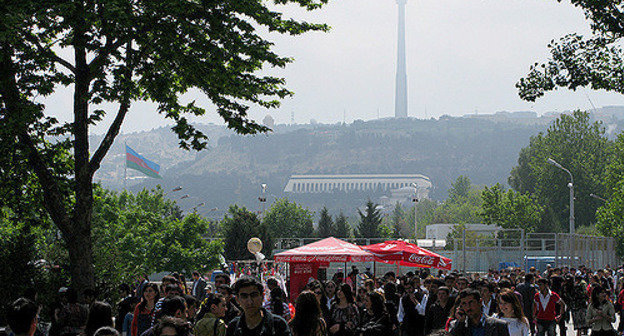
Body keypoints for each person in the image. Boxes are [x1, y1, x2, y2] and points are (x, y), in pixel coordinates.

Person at [225, 276, 291, 336]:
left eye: (254, 295)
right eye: (244, 296)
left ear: (262, 297)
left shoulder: (278, 325)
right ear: (237, 300)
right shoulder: (233, 327)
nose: (250, 301)